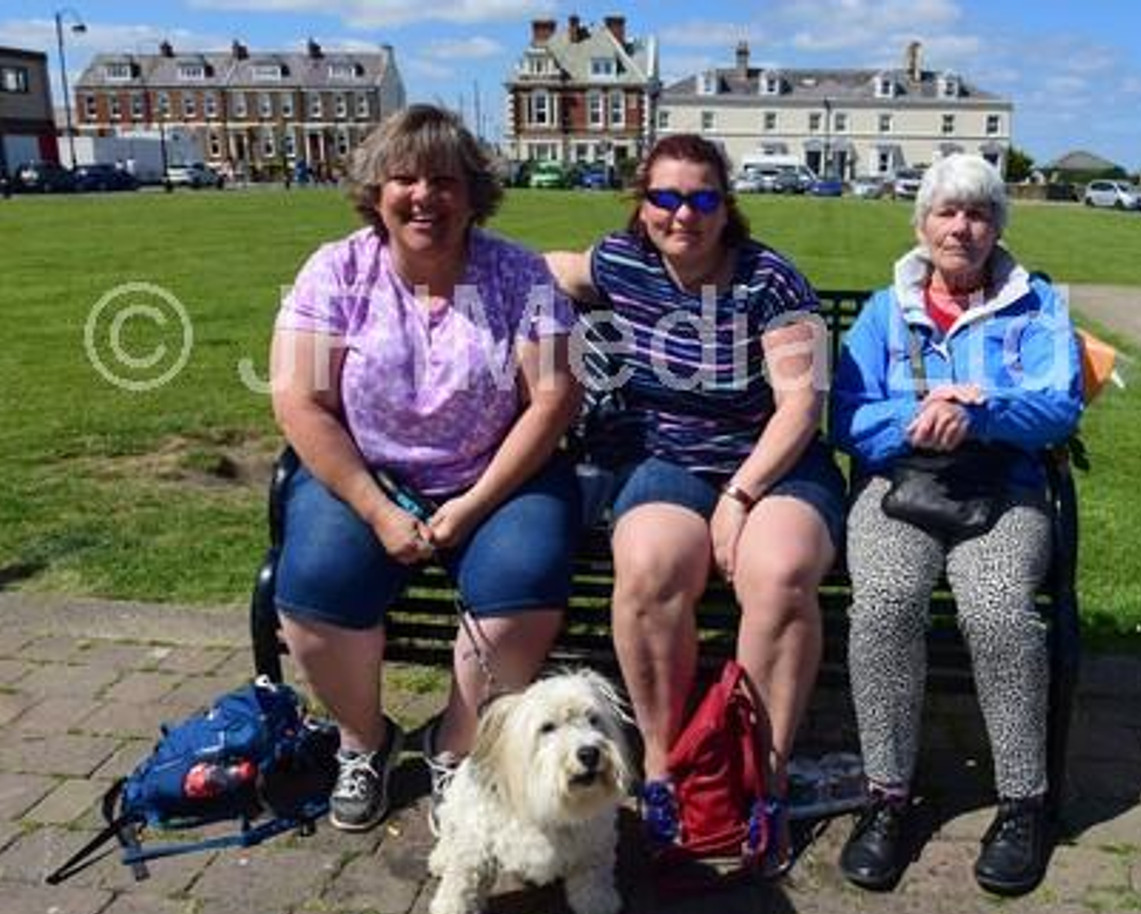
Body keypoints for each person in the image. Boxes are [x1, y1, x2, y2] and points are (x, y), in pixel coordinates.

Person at [269, 104, 581, 834]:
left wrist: (472, 504)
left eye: (444, 180)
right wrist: (377, 509)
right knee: (313, 587)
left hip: (502, 475)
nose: (423, 196)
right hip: (366, 475)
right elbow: (301, 399)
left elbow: (554, 396)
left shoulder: (517, 272)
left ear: (473, 193)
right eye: (403, 178)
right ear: (375, 193)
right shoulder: (336, 269)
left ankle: (456, 747)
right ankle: (364, 740)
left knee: (522, 587)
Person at [546, 134, 847, 864]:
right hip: (669, 461)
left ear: (726, 204)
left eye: (703, 198)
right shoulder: (622, 262)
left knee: (777, 576)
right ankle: (663, 765)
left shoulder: (770, 281)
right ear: (641, 205)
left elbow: (801, 405)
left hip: (774, 464)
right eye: (666, 197)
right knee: (648, 571)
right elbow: (549, 268)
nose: (685, 213)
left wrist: (740, 496)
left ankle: (761, 778)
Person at [831, 153, 1083, 895]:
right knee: (883, 601)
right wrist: (921, 415)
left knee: (998, 607)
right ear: (922, 224)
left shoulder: (1037, 305)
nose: (962, 227)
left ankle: (1022, 801)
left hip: (1004, 490)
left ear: (997, 227)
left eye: (978, 213)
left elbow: (1059, 403)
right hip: (901, 487)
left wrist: (978, 413)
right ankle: (887, 796)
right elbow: (847, 417)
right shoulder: (887, 310)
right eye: (948, 212)